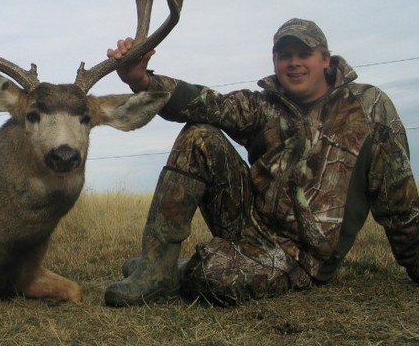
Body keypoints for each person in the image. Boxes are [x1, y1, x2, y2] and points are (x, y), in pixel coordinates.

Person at [104, 18, 419, 307]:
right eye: (284, 56)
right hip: (248, 227)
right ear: (275, 62)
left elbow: (398, 200)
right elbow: (206, 104)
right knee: (199, 134)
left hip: (300, 258)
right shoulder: (262, 106)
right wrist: (142, 80)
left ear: (325, 59)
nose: (293, 63)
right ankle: (156, 268)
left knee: (212, 278)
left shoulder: (368, 108)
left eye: (304, 54)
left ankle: (178, 270)